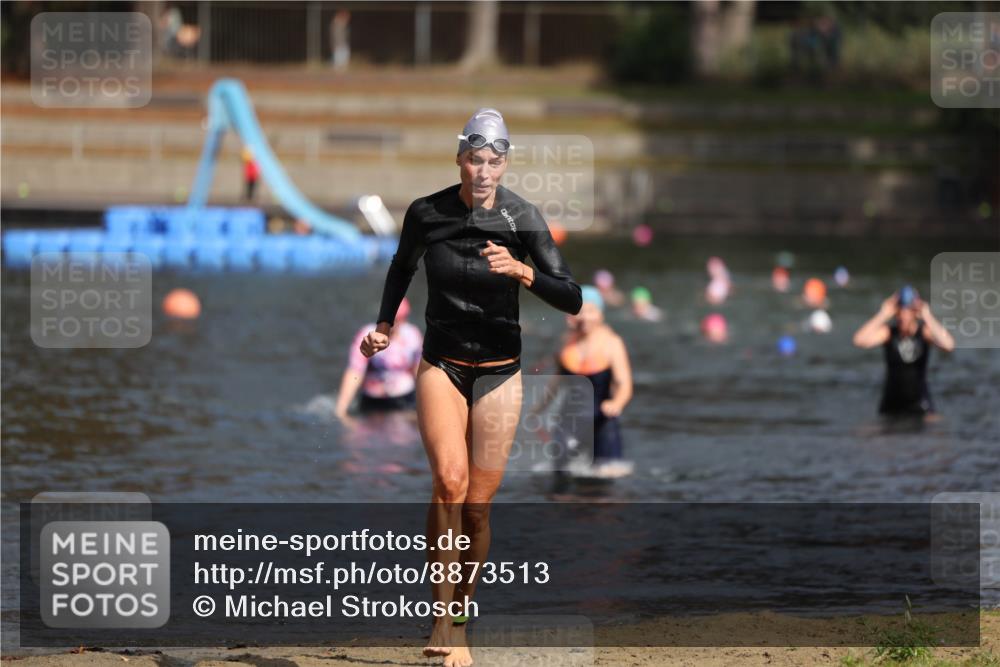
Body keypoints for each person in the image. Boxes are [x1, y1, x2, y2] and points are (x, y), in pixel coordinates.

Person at [360, 108, 581, 667]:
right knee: (449, 484)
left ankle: (462, 612)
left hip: (501, 370)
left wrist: (523, 272)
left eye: (494, 161)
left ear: (505, 164)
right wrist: (384, 326)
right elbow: (400, 267)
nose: (484, 171)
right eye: (475, 159)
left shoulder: (522, 218)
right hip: (441, 363)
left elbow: (572, 296)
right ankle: (441, 619)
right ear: (460, 158)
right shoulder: (426, 212)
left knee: (478, 508)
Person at [556, 286, 633, 474]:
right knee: (560, 478)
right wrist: (537, 408)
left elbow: (624, 384)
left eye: (591, 310)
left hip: (602, 419)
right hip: (569, 421)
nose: (585, 316)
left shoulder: (613, 343)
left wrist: (617, 402)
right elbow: (557, 383)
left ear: (600, 314)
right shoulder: (565, 341)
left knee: (606, 481)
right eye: (580, 311)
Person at [852, 286, 955, 417]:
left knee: (937, 432)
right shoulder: (888, 333)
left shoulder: (924, 333)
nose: (904, 316)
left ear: (915, 312)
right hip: (891, 403)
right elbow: (859, 340)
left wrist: (928, 317)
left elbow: (949, 345)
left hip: (920, 403)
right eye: (900, 311)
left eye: (908, 311)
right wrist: (882, 315)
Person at [335, 298, 422, 423]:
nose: (394, 325)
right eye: (391, 320)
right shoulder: (367, 335)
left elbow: (418, 370)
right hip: (373, 401)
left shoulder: (412, 335)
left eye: (399, 320)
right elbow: (355, 371)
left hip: (404, 400)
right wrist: (341, 410)